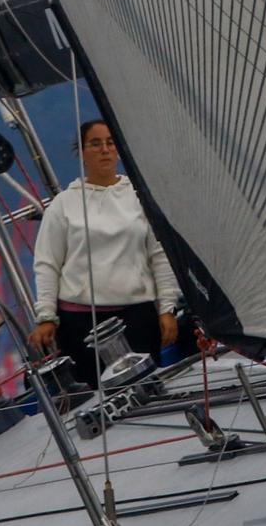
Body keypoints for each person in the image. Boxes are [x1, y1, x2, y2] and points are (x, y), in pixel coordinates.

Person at [28, 119, 180, 386]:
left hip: (138, 316)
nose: (105, 150)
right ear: (83, 152)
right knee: (99, 397)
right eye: (95, 144)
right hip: (81, 323)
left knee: (148, 388)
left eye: (110, 143)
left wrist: (166, 308)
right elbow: (47, 264)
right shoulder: (63, 205)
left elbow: (160, 255)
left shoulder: (139, 195)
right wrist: (46, 317)